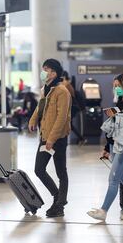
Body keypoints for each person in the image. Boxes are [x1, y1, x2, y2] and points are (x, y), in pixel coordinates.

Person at [87, 74, 123, 221]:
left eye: (118, 85)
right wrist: (107, 147)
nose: (116, 88)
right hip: (114, 147)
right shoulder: (119, 104)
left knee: (113, 179)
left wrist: (118, 117)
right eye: (114, 86)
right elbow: (112, 130)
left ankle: (103, 210)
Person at [28, 59, 71, 218]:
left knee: (61, 172)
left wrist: (52, 139)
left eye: (46, 69)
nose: (43, 72)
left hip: (57, 138)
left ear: (54, 73)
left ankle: (59, 205)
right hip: (45, 135)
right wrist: (32, 120)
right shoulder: (46, 89)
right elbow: (40, 107)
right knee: (39, 169)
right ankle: (58, 197)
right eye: (43, 68)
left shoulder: (62, 91)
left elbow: (61, 117)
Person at [61, 71, 86, 145]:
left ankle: (80, 138)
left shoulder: (66, 84)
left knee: (66, 124)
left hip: (71, 108)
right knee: (68, 124)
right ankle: (81, 138)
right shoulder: (67, 84)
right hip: (72, 108)